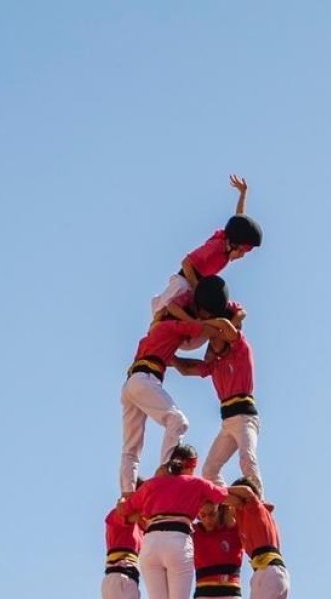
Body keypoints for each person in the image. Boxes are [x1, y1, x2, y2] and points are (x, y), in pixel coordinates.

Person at [120, 279, 238, 496]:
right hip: (145, 379)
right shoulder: (174, 326)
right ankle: (165, 470)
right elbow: (207, 329)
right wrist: (228, 319)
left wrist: (209, 368)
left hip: (132, 383)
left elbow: (183, 367)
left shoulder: (160, 335)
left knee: (131, 449)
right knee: (178, 421)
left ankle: (126, 496)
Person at [119, 445, 230, 599]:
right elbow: (222, 495)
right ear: (189, 466)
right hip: (178, 540)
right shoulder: (195, 483)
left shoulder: (151, 485)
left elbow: (125, 510)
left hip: (151, 543)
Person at [150, 176, 262, 317]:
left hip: (195, 284)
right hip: (184, 281)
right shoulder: (216, 248)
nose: (242, 255)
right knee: (171, 303)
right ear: (233, 244)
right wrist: (198, 289)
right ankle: (158, 311)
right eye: (241, 251)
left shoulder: (229, 243)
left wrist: (243, 194)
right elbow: (186, 263)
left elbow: (239, 220)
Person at [171, 327, 263, 494]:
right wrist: (170, 356)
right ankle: (226, 503)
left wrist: (209, 323)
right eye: (210, 339)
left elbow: (230, 327)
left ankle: (258, 502)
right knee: (209, 470)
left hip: (245, 418)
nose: (212, 341)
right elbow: (185, 369)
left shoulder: (241, 351)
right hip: (228, 423)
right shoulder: (215, 365)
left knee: (247, 459)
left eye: (215, 337)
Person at [225, 478, 289, 599]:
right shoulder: (251, 516)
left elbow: (246, 490)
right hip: (276, 573)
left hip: (267, 571)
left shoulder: (254, 507)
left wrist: (213, 490)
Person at [103, 484, 147, 599]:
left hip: (126, 581)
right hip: (120, 578)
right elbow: (127, 515)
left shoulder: (141, 527)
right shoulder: (117, 514)